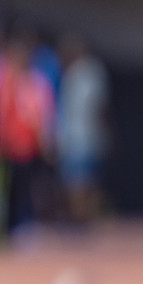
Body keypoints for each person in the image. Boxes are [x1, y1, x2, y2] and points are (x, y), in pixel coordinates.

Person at [0, 33, 55, 242]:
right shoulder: (3, 83)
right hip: (8, 144)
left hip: (29, 145)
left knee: (29, 187)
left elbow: (44, 114)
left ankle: (26, 225)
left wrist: (46, 140)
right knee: (7, 188)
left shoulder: (37, 83)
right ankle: (6, 228)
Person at [56, 34, 110, 226]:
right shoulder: (68, 73)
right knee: (76, 181)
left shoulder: (90, 72)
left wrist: (104, 131)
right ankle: (81, 219)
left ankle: (85, 219)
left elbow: (98, 107)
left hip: (86, 135)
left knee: (83, 181)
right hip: (72, 135)